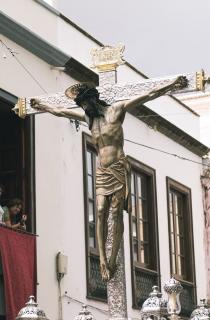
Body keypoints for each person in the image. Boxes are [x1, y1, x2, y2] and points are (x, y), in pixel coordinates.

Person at [31, 76, 188, 281]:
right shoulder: (89, 119)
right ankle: (102, 259)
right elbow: (61, 112)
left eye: (85, 104)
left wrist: (172, 85)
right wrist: (42, 105)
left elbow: (148, 95)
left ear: (93, 100)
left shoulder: (116, 111)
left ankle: (112, 260)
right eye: (81, 106)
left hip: (118, 167)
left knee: (115, 213)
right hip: (101, 171)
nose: (84, 109)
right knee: (99, 211)